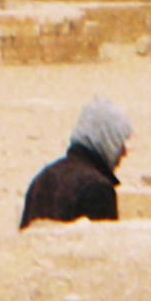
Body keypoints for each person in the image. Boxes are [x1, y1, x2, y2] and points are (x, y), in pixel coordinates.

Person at [20, 97, 130, 226]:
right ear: (107, 141)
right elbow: (102, 244)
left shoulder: (42, 180)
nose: (124, 153)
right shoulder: (97, 190)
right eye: (119, 143)